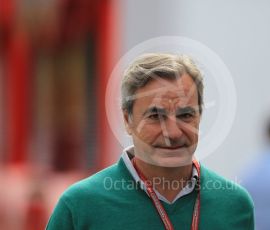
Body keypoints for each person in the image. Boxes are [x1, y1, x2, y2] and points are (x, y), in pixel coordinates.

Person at [46, 53, 254, 229]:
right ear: (127, 120)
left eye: (185, 115)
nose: (172, 133)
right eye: (155, 116)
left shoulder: (235, 205)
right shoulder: (80, 207)